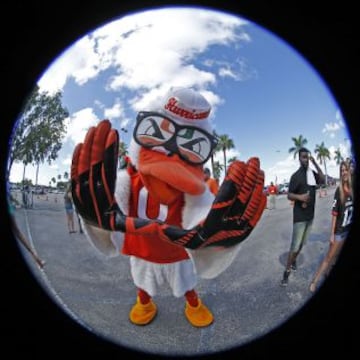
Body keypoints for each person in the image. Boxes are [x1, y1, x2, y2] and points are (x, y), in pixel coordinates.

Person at [280, 147, 325, 286]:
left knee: (301, 245)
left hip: (310, 216)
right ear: (299, 159)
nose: (306, 159)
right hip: (299, 217)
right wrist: (300, 197)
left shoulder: (312, 174)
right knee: (294, 246)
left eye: (307, 156)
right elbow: (289, 194)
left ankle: (294, 260)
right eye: (303, 157)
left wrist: (316, 163)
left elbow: (322, 179)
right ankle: (286, 273)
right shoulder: (295, 176)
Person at [309, 160, 354, 292]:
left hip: (348, 229)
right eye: (342, 171)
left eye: (346, 170)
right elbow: (334, 214)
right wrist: (332, 234)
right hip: (340, 232)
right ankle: (315, 281)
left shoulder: (352, 189)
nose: (344, 172)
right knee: (329, 258)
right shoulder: (338, 191)